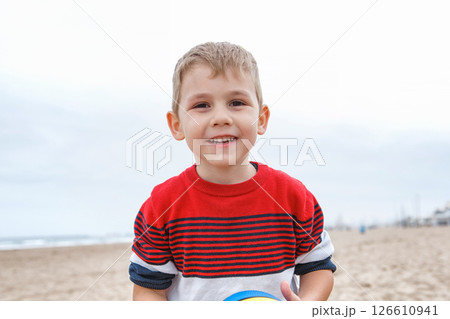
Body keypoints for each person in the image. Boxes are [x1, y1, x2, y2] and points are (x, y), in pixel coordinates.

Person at [129, 42, 336, 301]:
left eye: (236, 102)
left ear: (261, 119)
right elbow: (149, 289)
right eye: (202, 105)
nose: (221, 117)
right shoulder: (162, 206)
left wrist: (307, 303)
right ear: (177, 124)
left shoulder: (292, 197)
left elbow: (318, 267)